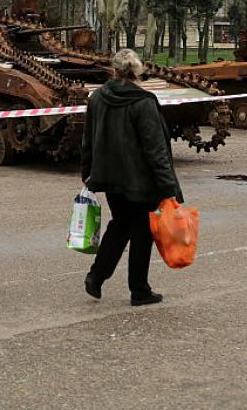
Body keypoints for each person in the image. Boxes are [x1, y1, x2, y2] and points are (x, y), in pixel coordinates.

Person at [82, 48, 180, 306]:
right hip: (140, 180)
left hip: (109, 177)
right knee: (142, 232)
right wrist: (168, 187)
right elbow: (155, 149)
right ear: (137, 71)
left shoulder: (97, 98)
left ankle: (96, 276)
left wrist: (87, 172)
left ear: (114, 71)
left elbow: (88, 138)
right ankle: (139, 290)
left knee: (120, 224)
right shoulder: (143, 101)